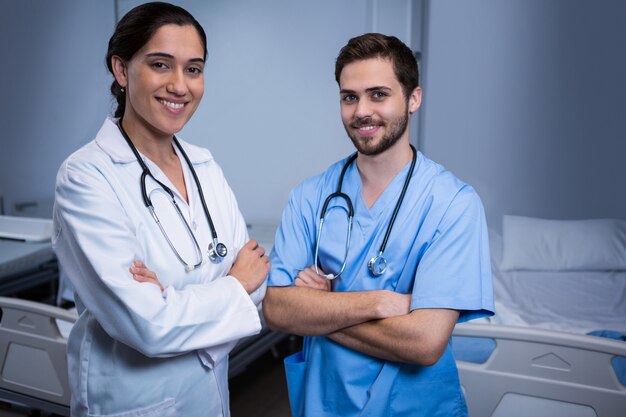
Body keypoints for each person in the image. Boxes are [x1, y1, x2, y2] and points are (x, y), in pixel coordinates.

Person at [52, 3, 269, 416]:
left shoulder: (204, 166)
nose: (179, 85)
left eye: (193, 69)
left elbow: (256, 286)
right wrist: (231, 288)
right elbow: (147, 326)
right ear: (121, 70)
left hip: (211, 397)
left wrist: (173, 300)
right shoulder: (86, 177)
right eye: (160, 64)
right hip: (134, 403)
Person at [262, 33, 494, 416]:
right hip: (326, 402)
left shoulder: (453, 204)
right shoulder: (310, 196)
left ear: (413, 98)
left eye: (379, 94)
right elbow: (277, 311)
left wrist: (320, 308)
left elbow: (424, 342)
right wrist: (382, 302)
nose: (361, 111)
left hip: (416, 407)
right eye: (349, 97)